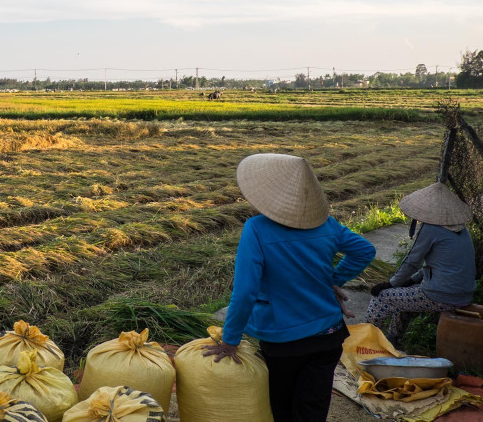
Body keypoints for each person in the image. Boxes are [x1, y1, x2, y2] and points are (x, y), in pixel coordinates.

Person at [204, 153, 375, 422]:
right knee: (312, 409)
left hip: (282, 342)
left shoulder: (257, 228)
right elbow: (365, 251)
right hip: (329, 336)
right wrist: (335, 279)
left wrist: (230, 340)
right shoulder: (327, 225)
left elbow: (245, 291)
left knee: (282, 410)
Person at [365, 182, 476, 344]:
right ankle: (393, 340)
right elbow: (441, 264)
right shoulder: (460, 229)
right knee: (404, 294)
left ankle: (365, 342)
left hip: (442, 295)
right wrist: (410, 281)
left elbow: (412, 261)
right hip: (463, 293)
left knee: (382, 297)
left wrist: (391, 283)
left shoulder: (432, 229)